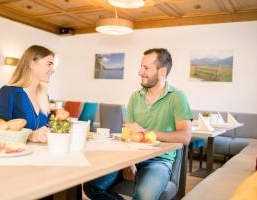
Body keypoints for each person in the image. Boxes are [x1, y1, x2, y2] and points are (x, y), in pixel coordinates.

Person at [83, 48, 193, 200]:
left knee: (144, 197)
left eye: (146, 68)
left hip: (159, 161)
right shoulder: (135, 96)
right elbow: (128, 134)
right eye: (141, 66)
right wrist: (129, 162)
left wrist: (147, 133)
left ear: (162, 71)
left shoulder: (177, 96)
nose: (140, 72)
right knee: (91, 186)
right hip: (131, 157)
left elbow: (185, 136)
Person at [0, 45, 55, 143]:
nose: (53, 70)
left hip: (41, 154)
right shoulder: (9, 92)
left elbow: (45, 128)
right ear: (32, 64)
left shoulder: (44, 96)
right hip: (16, 154)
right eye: (49, 64)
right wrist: (29, 135)